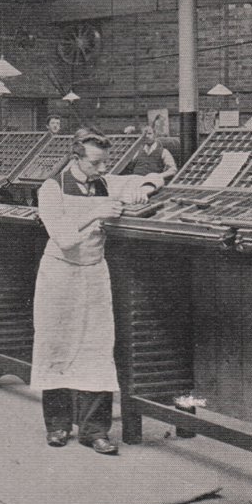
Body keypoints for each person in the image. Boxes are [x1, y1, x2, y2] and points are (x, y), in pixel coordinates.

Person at [32, 128, 165, 455]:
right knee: (57, 347)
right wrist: (96, 212)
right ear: (76, 158)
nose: (103, 169)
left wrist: (143, 189)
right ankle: (59, 425)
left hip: (94, 274)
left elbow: (154, 177)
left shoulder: (106, 182)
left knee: (97, 350)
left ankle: (94, 430)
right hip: (59, 274)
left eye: (107, 162)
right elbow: (62, 235)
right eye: (96, 163)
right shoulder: (52, 188)